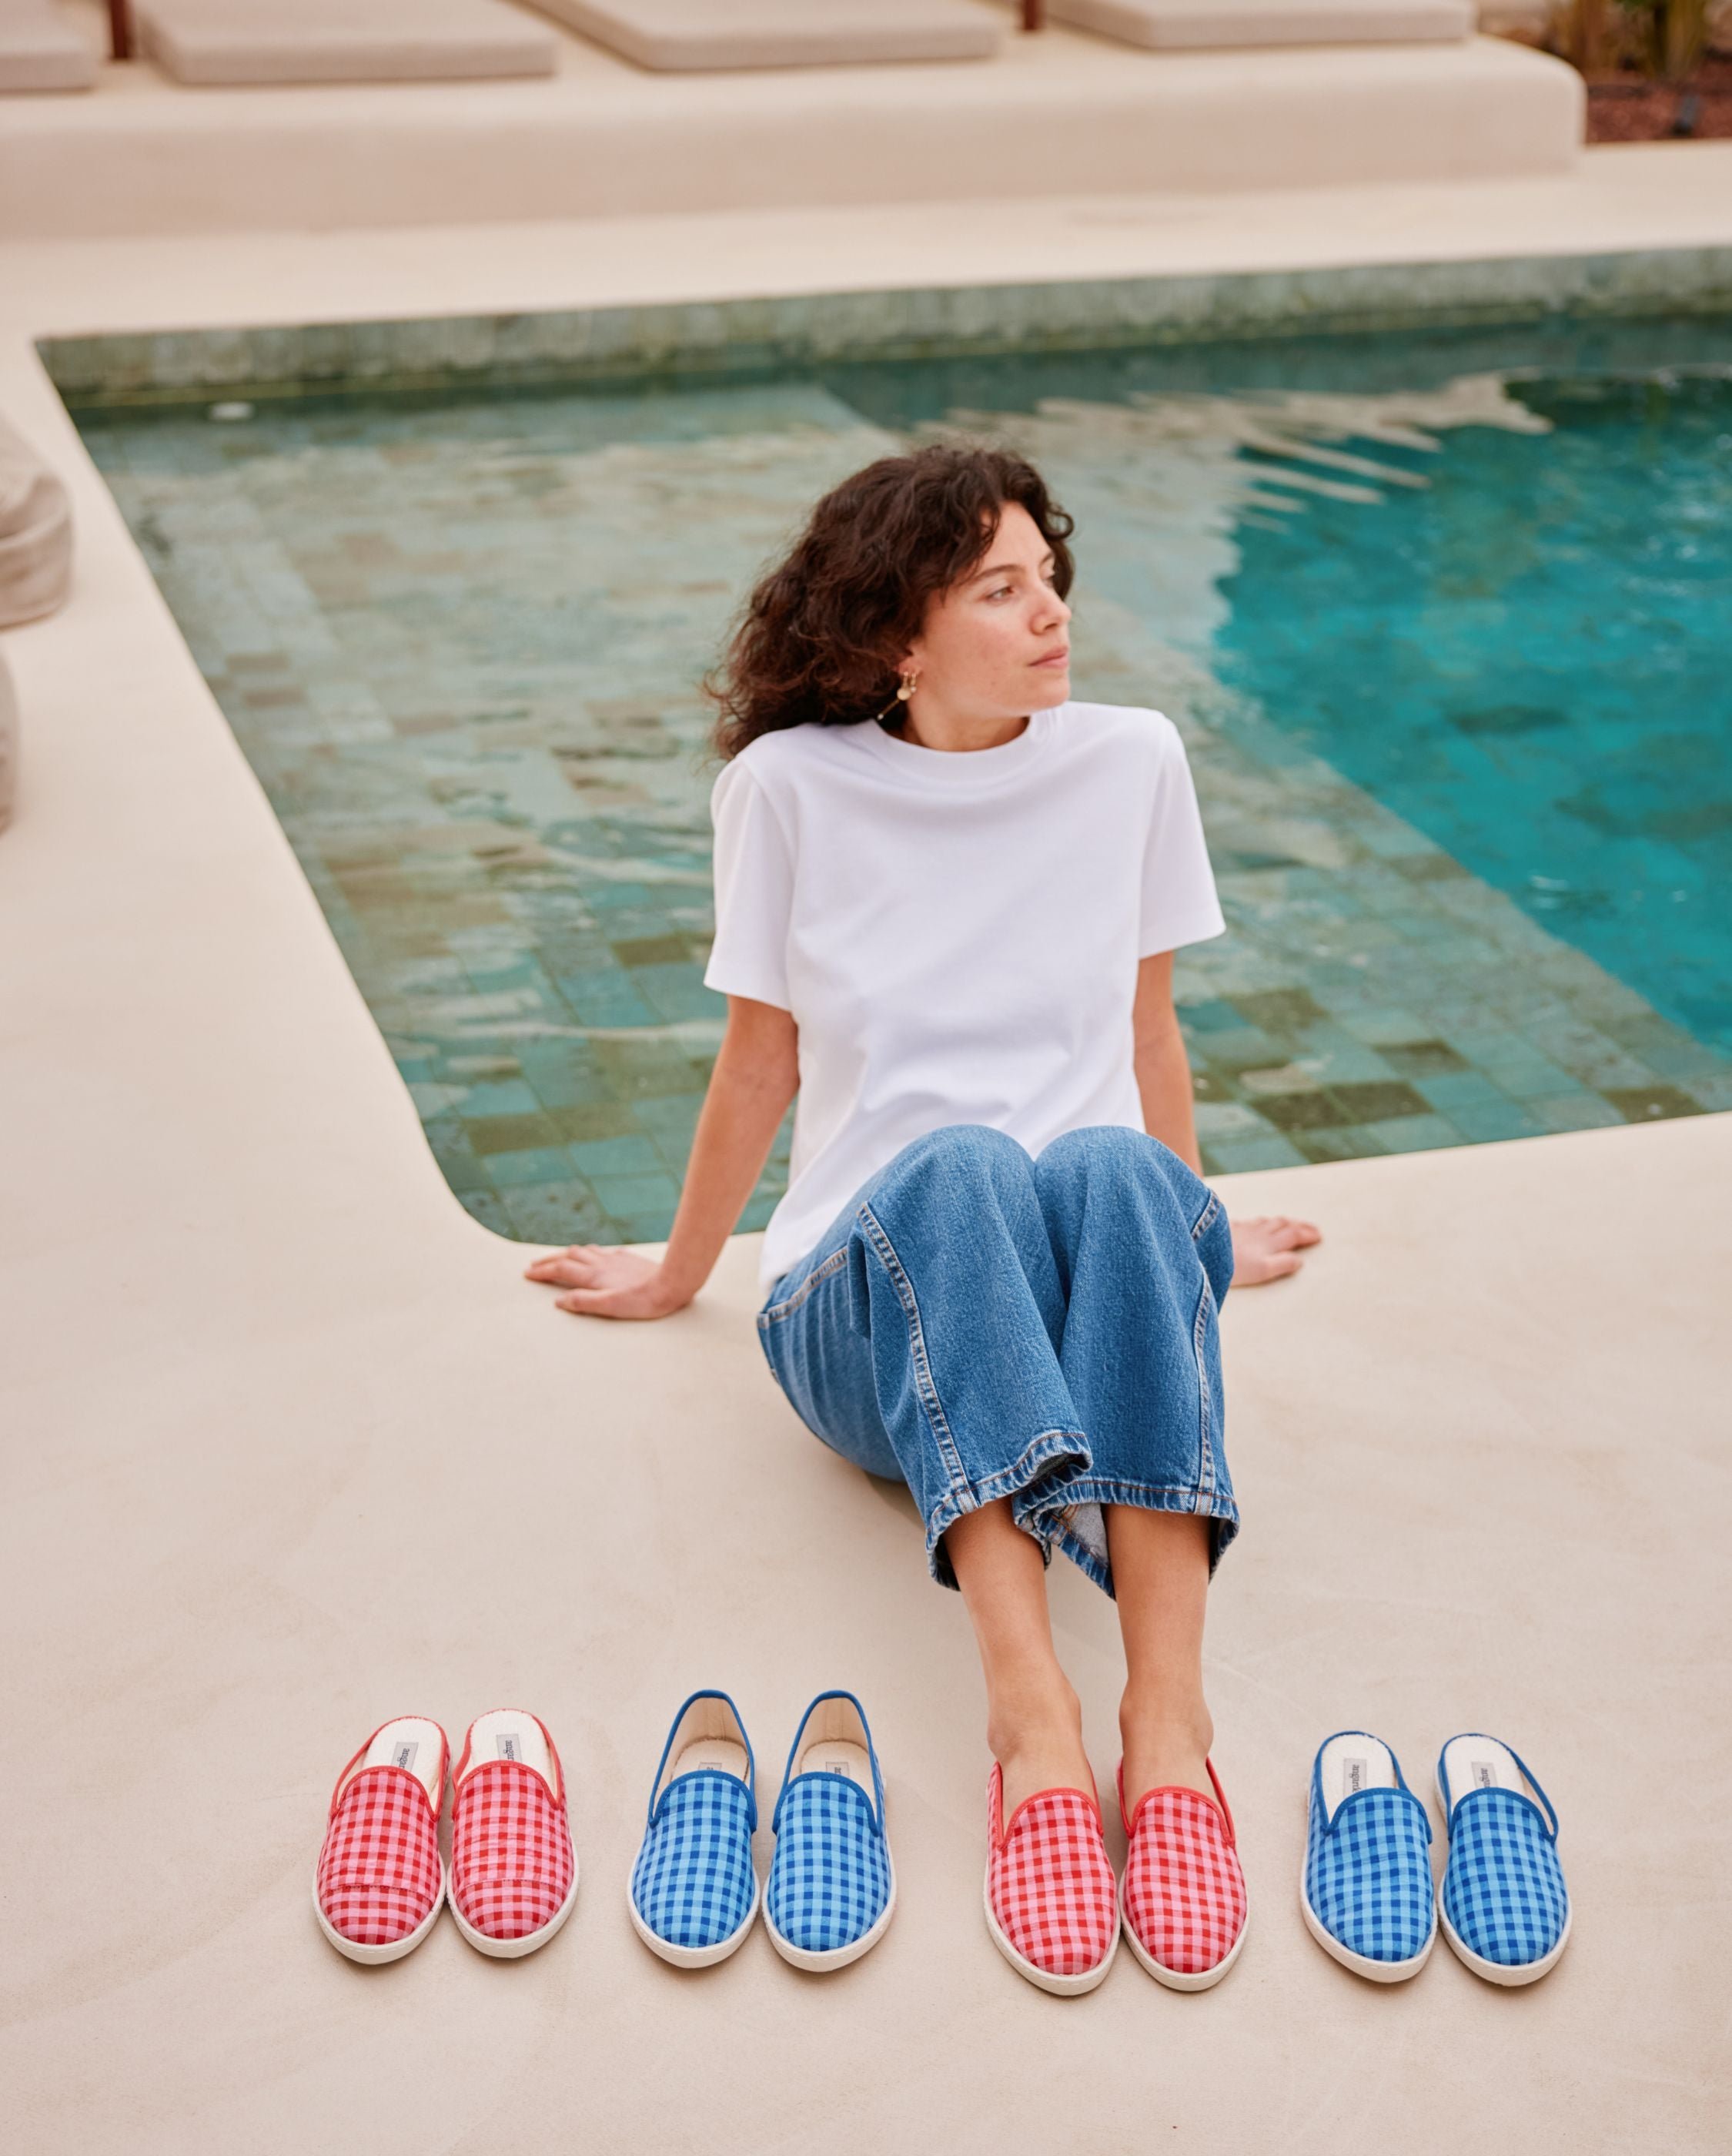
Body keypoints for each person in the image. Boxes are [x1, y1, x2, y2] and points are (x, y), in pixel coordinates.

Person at [526, 444, 1319, 1993]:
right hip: (866, 1300)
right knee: (961, 1164)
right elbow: (760, 1059)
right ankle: (1031, 1716)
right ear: (900, 634)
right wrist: (678, 1269)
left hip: (1071, 1293)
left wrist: (1193, 1225)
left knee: (1111, 1166)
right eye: (1000, 588)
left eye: (1051, 577)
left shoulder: (1134, 759)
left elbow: (1150, 1033)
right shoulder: (787, 789)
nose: (1052, 615)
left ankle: (1170, 1723)